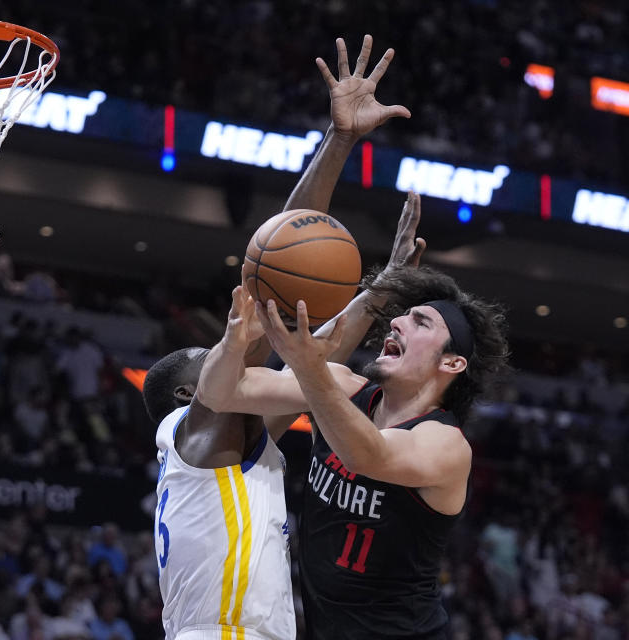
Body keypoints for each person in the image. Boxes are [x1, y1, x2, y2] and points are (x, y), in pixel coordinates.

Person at [198, 36, 510, 639]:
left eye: (420, 322)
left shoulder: (445, 447)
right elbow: (221, 391)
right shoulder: (344, 383)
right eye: (401, 314)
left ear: (452, 364)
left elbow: (369, 454)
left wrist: (308, 366)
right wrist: (246, 335)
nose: (396, 322)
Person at [143, 34, 414, 640]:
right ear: (192, 396)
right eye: (212, 355)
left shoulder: (231, 450)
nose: (239, 355)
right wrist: (339, 141)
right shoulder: (201, 432)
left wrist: (385, 289)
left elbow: (309, 361)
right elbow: (277, 263)